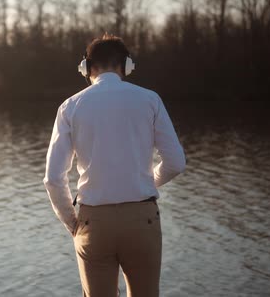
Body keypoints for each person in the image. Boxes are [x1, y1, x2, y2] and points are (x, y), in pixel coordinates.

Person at [43, 33, 186, 297]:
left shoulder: (70, 107)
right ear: (127, 65)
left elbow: (53, 178)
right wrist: (144, 182)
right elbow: (176, 162)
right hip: (141, 219)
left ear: (86, 68)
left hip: (93, 222)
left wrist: (73, 224)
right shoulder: (150, 100)